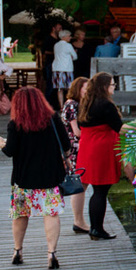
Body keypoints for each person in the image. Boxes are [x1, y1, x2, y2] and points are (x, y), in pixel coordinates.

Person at [0, 86, 69, 269]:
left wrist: (1, 144)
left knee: (20, 215)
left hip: (24, 179)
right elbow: (66, 145)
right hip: (50, 177)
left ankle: (18, 250)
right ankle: (51, 253)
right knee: (51, 214)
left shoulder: (16, 124)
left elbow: (10, 151)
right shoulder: (53, 119)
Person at [76, 72, 124, 239]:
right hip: (101, 149)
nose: (114, 87)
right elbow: (120, 128)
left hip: (88, 147)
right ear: (104, 87)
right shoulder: (105, 105)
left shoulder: (85, 103)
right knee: (100, 190)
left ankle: (95, 228)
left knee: (97, 189)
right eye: (112, 85)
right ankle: (97, 229)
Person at [61, 77, 90, 235]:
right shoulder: (72, 104)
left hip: (75, 147)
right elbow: (76, 131)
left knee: (81, 184)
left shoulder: (75, 104)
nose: (87, 92)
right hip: (74, 147)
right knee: (79, 183)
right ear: (78, 88)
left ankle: (79, 220)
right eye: (85, 88)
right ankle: (78, 221)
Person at [51, 28, 78, 94]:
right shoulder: (68, 45)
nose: (70, 37)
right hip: (67, 68)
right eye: (69, 36)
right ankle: (68, 102)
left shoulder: (56, 45)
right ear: (63, 37)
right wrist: (71, 56)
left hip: (57, 68)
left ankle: (61, 104)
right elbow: (75, 57)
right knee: (69, 88)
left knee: (59, 89)